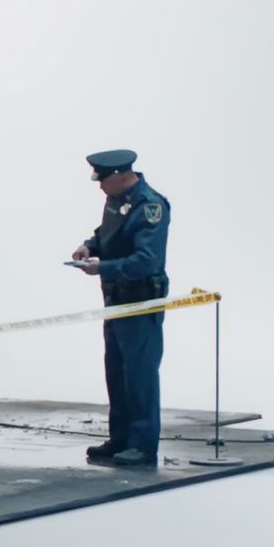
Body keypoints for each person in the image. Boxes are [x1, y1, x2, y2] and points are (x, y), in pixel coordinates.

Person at [72, 149, 171, 467]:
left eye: (103, 180)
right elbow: (108, 234)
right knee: (116, 372)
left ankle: (142, 445)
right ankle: (121, 438)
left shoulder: (150, 205)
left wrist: (104, 268)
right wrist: (90, 245)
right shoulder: (116, 200)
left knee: (140, 374)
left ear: (119, 176)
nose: (99, 187)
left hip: (139, 302)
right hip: (115, 301)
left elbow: (146, 260)